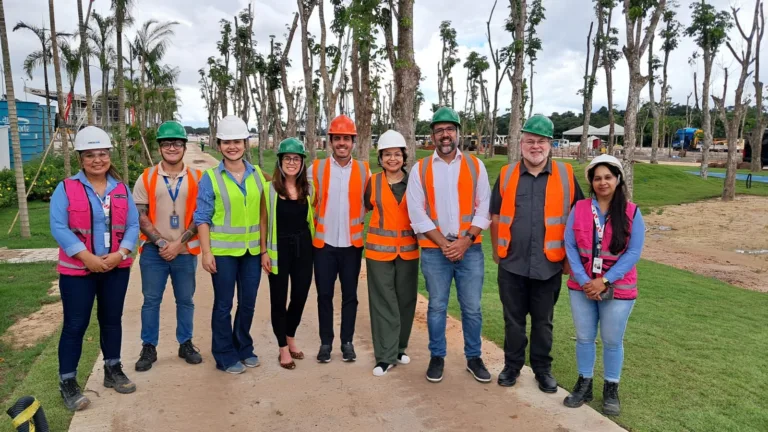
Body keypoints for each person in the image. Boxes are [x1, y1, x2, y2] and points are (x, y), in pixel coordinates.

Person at [490, 114, 585, 392]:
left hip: (549, 265)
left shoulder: (566, 175)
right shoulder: (507, 175)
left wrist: (570, 259)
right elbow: (495, 215)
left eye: (541, 141)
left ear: (550, 144)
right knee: (513, 321)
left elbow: (577, 220)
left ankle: (542, 370)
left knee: (543, 323)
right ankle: (512, 366)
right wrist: (498, 252)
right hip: (512, 264)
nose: (535, 146)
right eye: (530, 140)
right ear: (521, 144)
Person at [50, 126, 140, 411]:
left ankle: (112, 369)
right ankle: (68, 381)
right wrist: (86, 256)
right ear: (81, 159)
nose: (97, 160)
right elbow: (58, 226)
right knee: (76, 324)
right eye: (90, 155)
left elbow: (133, 225)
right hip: (78, 271)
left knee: (112, 319)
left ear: (109, 155)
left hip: (116, 266)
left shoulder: (122, 189)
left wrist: (121, 253)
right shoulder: (66, 188)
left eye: (102, 153)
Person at [407, 107, 492, 384]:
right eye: (440, 130)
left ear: (458, 133)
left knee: (472, 308)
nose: (445, 135)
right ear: (433, 135)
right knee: (436, 307)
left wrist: (465, 241)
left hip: (470, 249)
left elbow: (484, 208)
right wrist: (445, 244)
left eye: (450, 129)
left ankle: (474, 357)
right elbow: (416, 212)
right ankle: (437, 356)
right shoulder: (420, 169)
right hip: (435, 251)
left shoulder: (475, 165)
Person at [562, 154, 645, 416]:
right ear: (591, 182)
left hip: (618, 288)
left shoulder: (631, 212)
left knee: (611, 340)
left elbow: (633, 253)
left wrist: (604, 281)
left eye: (608, 177)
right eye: (597, 178)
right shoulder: (580, 208)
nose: (602, 182)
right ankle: (584, 383)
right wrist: (587, 281)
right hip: (582, 285)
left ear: (618, 179)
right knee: (585, 337)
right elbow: (571, 246)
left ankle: (611, 387)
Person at [194, 115, 267, 374]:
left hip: (251, 252)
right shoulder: (210, 178)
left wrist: (265, 250)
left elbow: (264, 213)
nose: (232, 146)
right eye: (226, 142)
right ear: (219, 144)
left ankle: (243, 346)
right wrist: (206, 252)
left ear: (246, 143)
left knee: (248, 303)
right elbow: (201, 217)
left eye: (237, 141)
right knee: (224, 305)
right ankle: (224, 353)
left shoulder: (257, 174)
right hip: (223, 253)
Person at [133, 121, 203, 372]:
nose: (171, 147)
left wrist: (178, 244)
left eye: (176, 143)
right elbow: (140, 215)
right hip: (154, 251)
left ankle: (185, 343)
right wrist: (162, 243)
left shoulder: (198, 177)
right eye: (166, 143)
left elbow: (202, 214)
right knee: (151, 300)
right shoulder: (147, 177)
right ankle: (148, 347)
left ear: (184, 146)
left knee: (185, 300)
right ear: (160, 148)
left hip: (184, 252)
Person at [310, 114, 371, 363]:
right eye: (337, 138)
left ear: (353, 141)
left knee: (350, 296)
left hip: (351, 245)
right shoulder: (316, 168)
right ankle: (326, 343)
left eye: (346, 138)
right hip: (323, 245)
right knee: (324, 295)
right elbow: (304, 200)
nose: (342, 143)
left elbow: (371, 203)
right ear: (331, 141)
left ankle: (347, 342)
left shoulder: (364, 170)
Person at [364, 130, 419, 377]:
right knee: (383, 303)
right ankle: (385, 356)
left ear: (404, 156)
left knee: (406, 301)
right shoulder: (373, 182)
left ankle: (399, 347)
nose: (393, 159)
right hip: (378, 254)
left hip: (408, 253)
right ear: (381, 158)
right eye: (387, 155)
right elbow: (366, 206)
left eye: (397, 154)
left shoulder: (415, 182)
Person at [260, 138, 315, 370]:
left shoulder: (308, 188)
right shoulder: (269, 189)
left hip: (304, 247)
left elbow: (312, 218)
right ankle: (283, 347)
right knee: (278, 299)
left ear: (302, 162)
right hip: (278, 249)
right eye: (287, 158)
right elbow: (263, 221)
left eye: (296, 158)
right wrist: (264, 251)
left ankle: (290, 335)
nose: (291, 162)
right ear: (280, 162)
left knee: (300, 296)